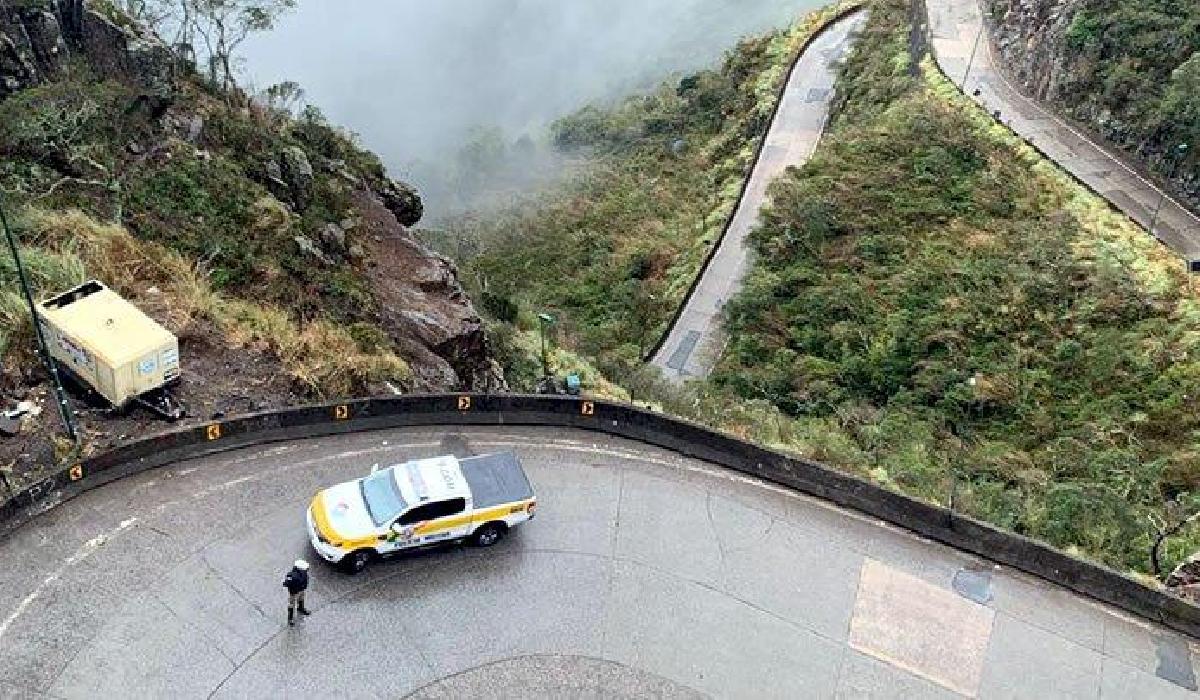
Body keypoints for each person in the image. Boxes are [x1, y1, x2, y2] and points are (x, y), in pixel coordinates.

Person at [283, 559, 311, 626]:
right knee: (291, 604)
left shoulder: (303, 572)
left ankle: (301, 608)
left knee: (301, 598)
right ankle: (290, 618)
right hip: (294, 592)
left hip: (301, 589)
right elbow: (286, 583)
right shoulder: (291, 575)